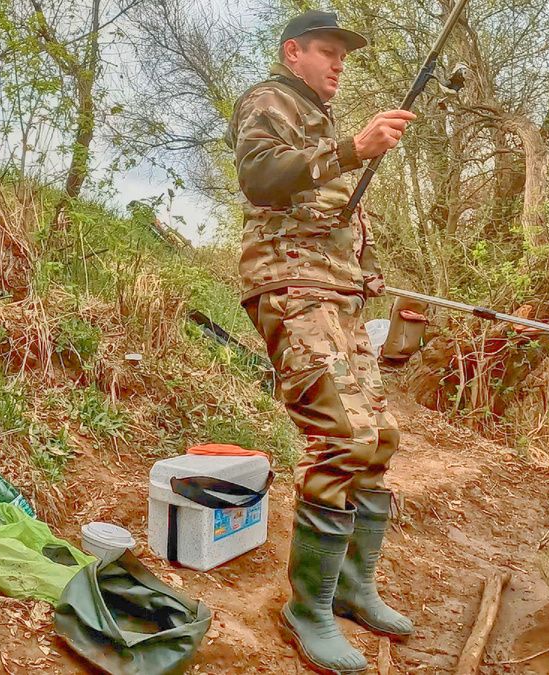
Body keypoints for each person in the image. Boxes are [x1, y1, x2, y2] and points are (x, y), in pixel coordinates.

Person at [226, 10, 416, 675]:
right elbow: (260, 175)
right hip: (291, 287)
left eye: (343, 55)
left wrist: (366, 271)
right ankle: (307, 610)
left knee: (379, 436)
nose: (339, 64)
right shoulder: (267, 100)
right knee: (340, 436)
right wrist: (352, 149)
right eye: (328, 52)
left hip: (337, 293)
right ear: (293, 53)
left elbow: (334, 216)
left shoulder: (324, 121)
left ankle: (353, 589)